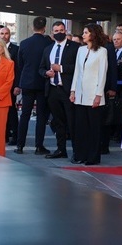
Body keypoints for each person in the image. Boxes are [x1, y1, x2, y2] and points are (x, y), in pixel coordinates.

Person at [70, 24, 111, 165]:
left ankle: (93, 157)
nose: (83, 35)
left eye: (86, 32)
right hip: (80, 95)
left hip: (93, 95)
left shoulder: (102, 51)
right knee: (81, 127)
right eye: (83, 32)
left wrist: (98, 95)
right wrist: (73, 90)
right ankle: (80, 154)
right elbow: (77, 71)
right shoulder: (80, 50)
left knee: (94, 128)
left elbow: (102, 74)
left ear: (93, 34)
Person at [14, 17, 54, 155]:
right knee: (42, 116)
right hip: (43, 82)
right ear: (44, 28)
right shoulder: (49, 42)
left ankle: (20, 145)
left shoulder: (24, 43)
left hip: (28, 82)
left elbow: (20, 63)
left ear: (32, 27)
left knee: (25, 114)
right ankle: (39, 146)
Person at [42, 23, 77, 160]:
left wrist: (61, 68)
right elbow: (41, 68)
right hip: (52, 90)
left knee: (72, 122)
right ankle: (61, 149)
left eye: (61, 30)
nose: (59, 33)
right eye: (56, 31)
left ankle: (76, 151)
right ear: (52, 32)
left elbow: (77, 67)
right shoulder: (48, 49)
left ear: (66, 30)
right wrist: (46, 72)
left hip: (68, 90)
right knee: (58, 122)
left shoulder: (75, 47)